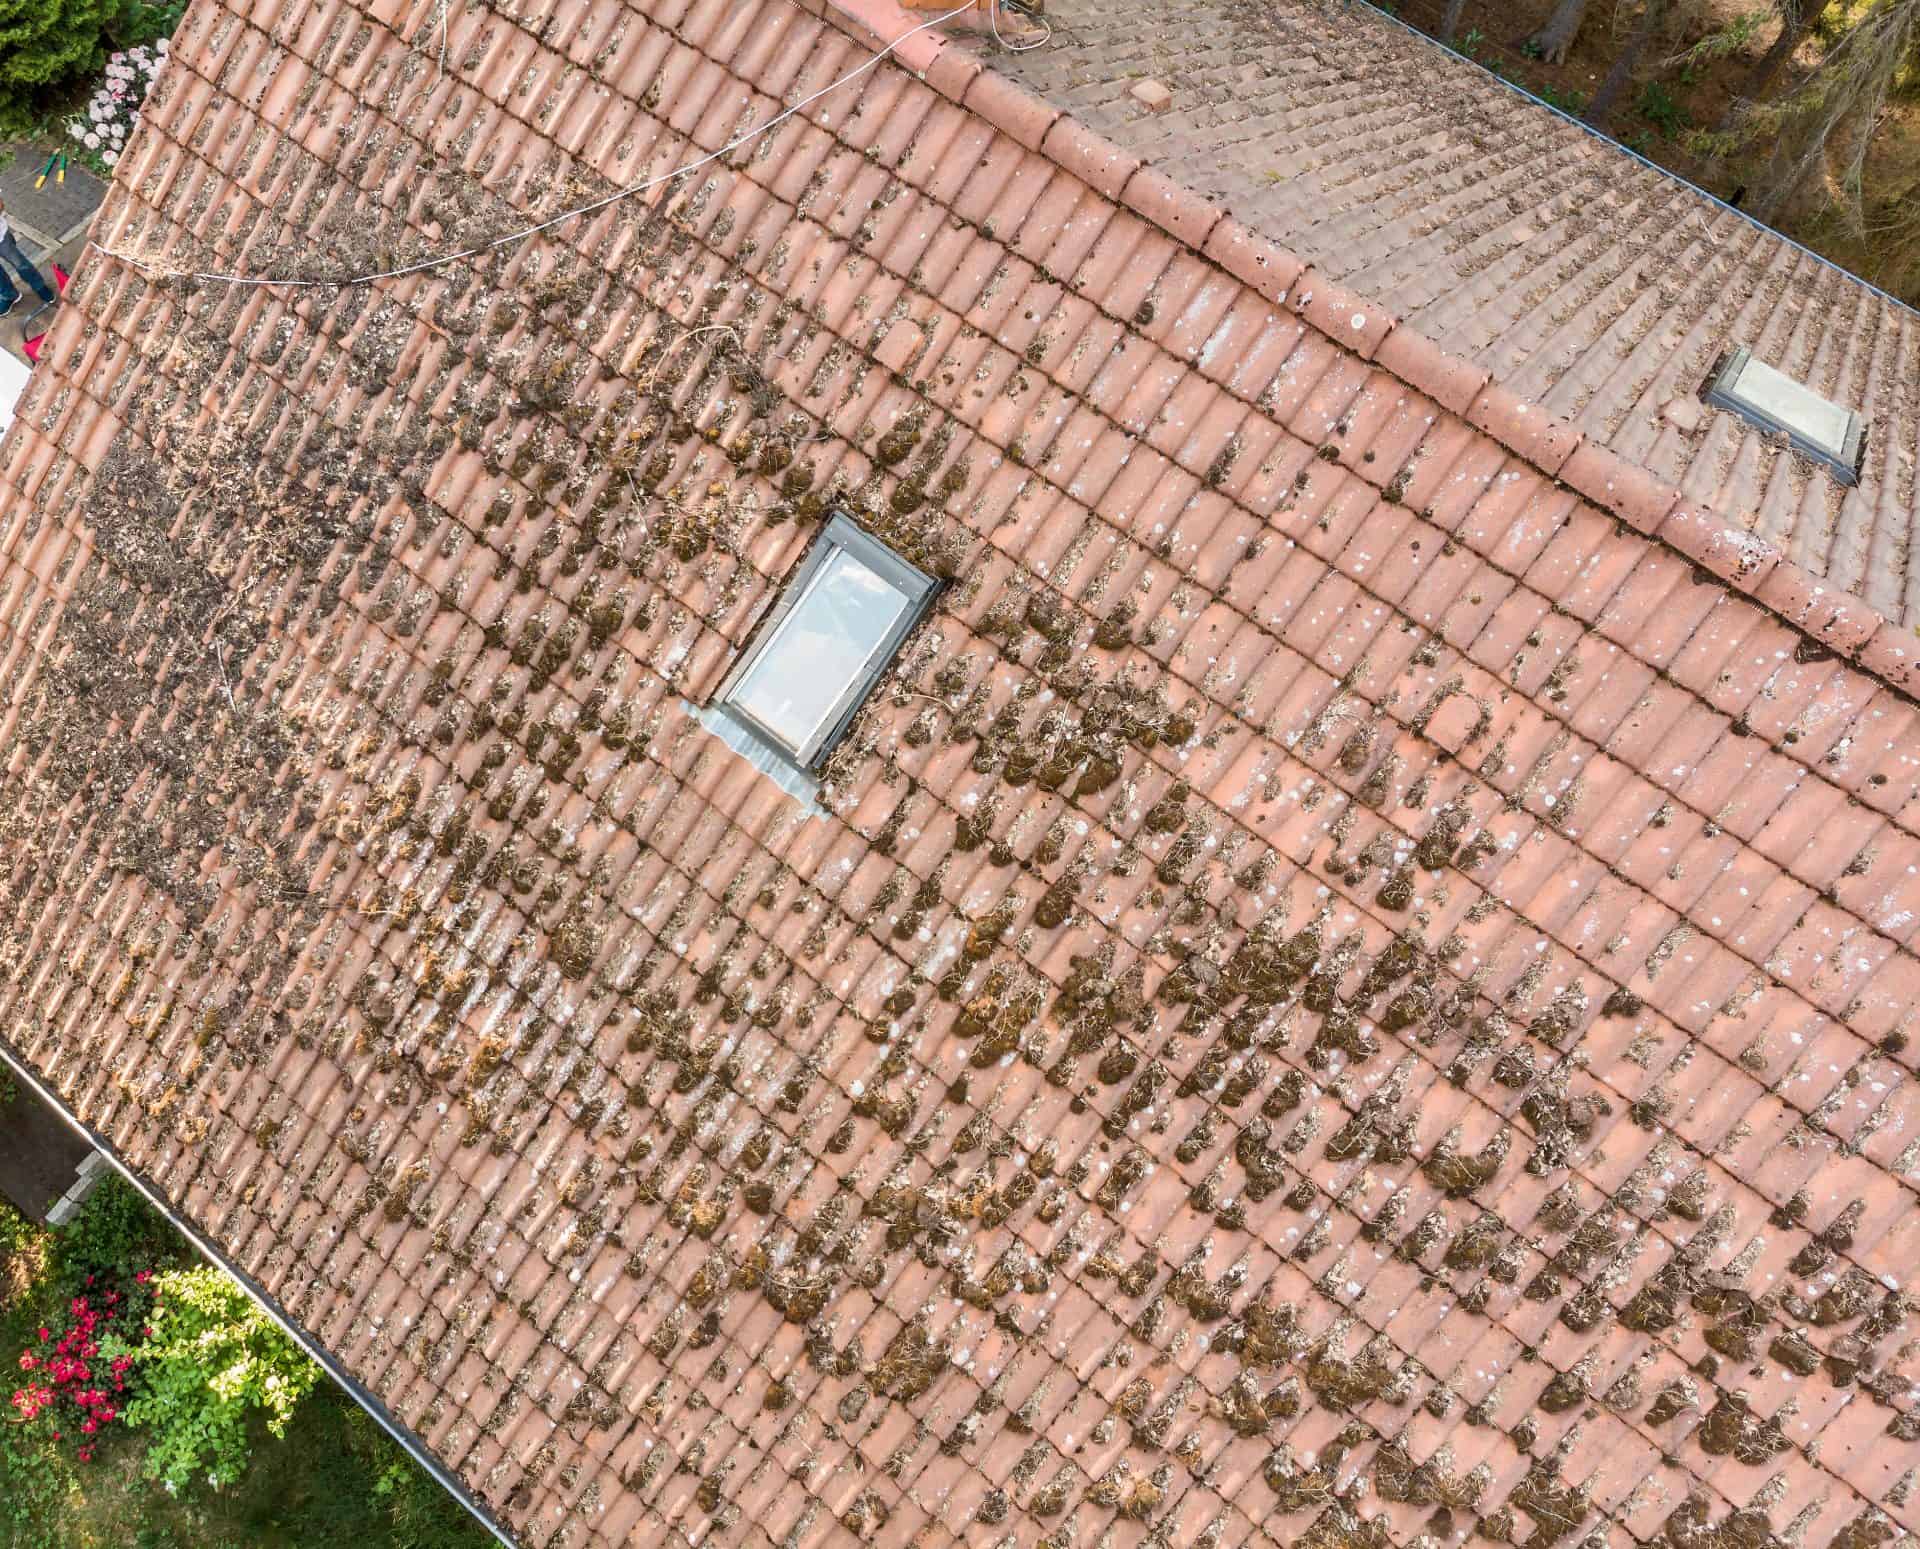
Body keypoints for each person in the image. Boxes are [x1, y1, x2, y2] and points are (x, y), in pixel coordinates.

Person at [0, 200, 55, 318]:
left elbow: (0, 204)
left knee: (21, 265)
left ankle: (39, 286)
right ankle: (10, 296)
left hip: (1, 238)